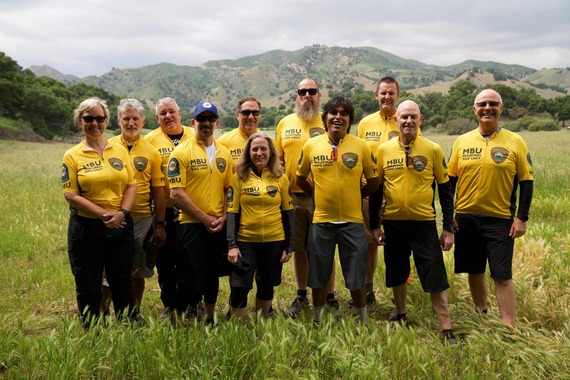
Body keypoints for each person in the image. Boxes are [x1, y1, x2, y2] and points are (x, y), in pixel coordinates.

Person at [369, 100, 456, 343]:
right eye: (404, 117)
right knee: (397, 272)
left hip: (423, 224)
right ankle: (400, 314)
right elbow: (377, 191)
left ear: (420, 120)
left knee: (434, 274)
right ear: (396, 121)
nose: (408, 121)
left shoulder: (433, 149)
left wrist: (448, 228)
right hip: (393, 224)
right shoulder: (384, 150)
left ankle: (446, 327)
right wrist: (375, 225)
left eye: (413, 117)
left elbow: (445, 192)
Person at [448, 89, 534, 327]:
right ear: (474, 110)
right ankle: (481, 315)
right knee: (474, 270)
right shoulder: (461, 141)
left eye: (493, 104)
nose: (487, 107)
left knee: (502, 274)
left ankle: (509, 326)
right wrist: (449, 218)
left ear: (501, 108)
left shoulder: (516, 141)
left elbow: (527, 182)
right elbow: (449, 183)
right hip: (465, 218)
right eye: (482, 104)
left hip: (500, 220)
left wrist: (521, 218)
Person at [296, 96, 379, 324]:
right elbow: (300, 178)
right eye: (334, 113)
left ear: (350, 120)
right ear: (325, 118)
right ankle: (317, 319)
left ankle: (362, 320)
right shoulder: (311, 145)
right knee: (318, 275)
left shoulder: (361, 146)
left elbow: (373, 181)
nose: (338, 117)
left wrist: (357, 194)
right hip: (321, 221)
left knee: (356, 275)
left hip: (352, 222)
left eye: (344, 114)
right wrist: (316, 193)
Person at [61, 97, 136, 327]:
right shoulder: (72, 155)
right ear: (80, 120)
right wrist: (104, 215)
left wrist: (122, 212)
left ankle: (128, 328)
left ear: (107, 121)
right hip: (86, 227)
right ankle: (91, 332)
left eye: (100, 118)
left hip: (121, 223)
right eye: (89, 118)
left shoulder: (119, 150)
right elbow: (71, 195)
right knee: (88, 283)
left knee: (122, 281)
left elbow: (132, 184)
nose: (95, 123)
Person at [275, 78, 339, 318]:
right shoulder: (284, 123)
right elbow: (278, 160)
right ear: (296, 95)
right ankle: (301, 294)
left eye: (312, 91)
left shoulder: (328, 120)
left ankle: (330, 296)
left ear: (319, 95)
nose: (307, 95)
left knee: (325, 248)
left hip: (323, 196)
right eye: (302, 91)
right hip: (293, 196)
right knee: (300, 247)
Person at [168, 101, 232, 326]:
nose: (206, 123)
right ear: (193, 122)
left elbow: (228, 189)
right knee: (189, 274)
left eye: (210, 119)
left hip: (217, 224)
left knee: (212, 273)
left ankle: (209, 317)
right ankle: (180, 320)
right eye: (201, 119)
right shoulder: (180, 152)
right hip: (191, 224)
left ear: (217, 122)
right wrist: (204, 218)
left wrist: (223, 216)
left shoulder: (224, 153)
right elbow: (176, 193)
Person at [100, 98, 166, 316]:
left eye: (135, 118)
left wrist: (160, 224)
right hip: (112, 218)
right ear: (118, 120)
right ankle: (103, 310)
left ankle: (133, 313)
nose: (131, 123)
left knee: (137, 270)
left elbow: (158, 190)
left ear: (143, 120)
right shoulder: (108, 146)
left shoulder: (151, 151)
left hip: (142, 219)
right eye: (126, 118)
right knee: (110, 270)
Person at [226, 133, 294, 319]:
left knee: (266, 284)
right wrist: (232, 245)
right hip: (246, 241)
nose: (259, 153)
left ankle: (261, 324)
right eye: (254, 149)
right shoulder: (238, 178)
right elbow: (232, 213)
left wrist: (289, 245)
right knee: (240, 286)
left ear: (271, 152)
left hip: (274, 240)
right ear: (248, 153)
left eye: (263, 148)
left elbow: (288, 213)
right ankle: (238, 328)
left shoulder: (281, 178)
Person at [145, 97, 195, 320]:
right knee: (165, 261)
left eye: (171, 112)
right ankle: (169, 305)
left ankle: (193, 302)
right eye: (163, 113)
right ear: (157, 118)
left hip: (192, 209)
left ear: (180, 113)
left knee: (191, 258)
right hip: (164, 209)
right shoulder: (149, 141)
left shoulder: (194, 135)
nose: (168, 116)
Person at [357, 76, 401, 305]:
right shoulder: (365, 123)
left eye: (391, 93)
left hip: (396, 191)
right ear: (376, 95)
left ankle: (400, 288)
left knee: (398, 241)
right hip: (369, 190)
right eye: (383, 92)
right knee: (369, 242)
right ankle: (368, 288)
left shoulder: (405, 120)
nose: (387, 97)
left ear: (397, 96)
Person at [217, 97, 261, 166]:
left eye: (255, 112)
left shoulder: (269, 141)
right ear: (237, 115)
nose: (251, 117)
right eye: (246, 112)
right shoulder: (222, 143)